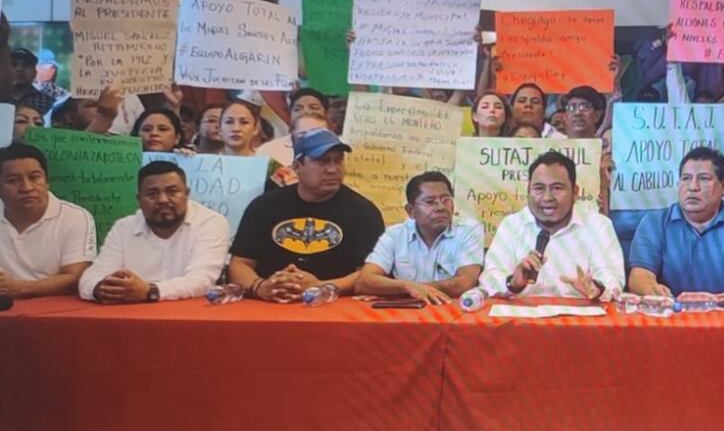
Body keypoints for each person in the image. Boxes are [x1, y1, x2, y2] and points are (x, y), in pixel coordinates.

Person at [228, 127, 385, 302]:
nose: (333, 170)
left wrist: (323, 287)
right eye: (323, 161)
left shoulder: (363, 211)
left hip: (334, 306)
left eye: (338, 161)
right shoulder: (264, 206)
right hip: (271, 304)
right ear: (297, 166)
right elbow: (240, 263)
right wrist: (259, 286)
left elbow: (372, 271)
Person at [628, 146, 724, 307]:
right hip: (672, 316)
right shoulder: (654, 222)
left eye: (704, 179)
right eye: (686, 178)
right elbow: (639, 276)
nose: (693, 187)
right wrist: (651, 290)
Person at [78, 161, 230, 303]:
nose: (163, 200)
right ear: (139, 199)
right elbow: (90, 278)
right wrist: (103, 289)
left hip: (190, 315)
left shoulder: (210, 222)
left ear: (187, 193)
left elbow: (202, 280)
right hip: (132, 315)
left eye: (172, 192)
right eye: (152, 194)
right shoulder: (123, 228)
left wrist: (150, 292)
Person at [479, 151, 624, 299]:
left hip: (578, 319)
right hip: (521, 318)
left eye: (557, 188)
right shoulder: (512, 225)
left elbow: (613, 279)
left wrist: (596, 288)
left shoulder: (598, 226)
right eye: (539, 189)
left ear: (575, 192)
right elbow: (489, 278)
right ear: (528, 191)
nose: (547, 197)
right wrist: (513, 283)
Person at [355, 171, 484, 303]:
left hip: (450, 309)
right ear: (410, 211)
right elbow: (365, 281)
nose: (440, 207)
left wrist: (403, 290)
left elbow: (464, 283)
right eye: (430, 202)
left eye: (446, 200)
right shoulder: (394, 235)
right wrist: (407, 287)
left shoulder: (468, 230)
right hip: (407, 312)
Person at [0, 143, 95, 298]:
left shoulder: (75, 217)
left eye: (34, 178)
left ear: (47, 181)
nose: (26, 188)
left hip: (53, 308)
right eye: (13, 181)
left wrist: (19, 288)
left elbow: (75, 277)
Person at [10, 48, 55, 115]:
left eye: (26, 65)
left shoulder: (48, 104)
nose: (20, 69)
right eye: (14, 65)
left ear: (34, 73)